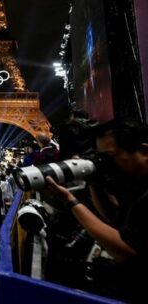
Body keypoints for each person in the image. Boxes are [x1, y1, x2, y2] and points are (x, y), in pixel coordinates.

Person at [45, 120, 148, 303]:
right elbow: (114, 221)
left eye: (110, 156)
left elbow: (126, 250)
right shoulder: (135, 184)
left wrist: (70, 201)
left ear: (144, 152)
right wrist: (94, 181)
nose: (105, 163)